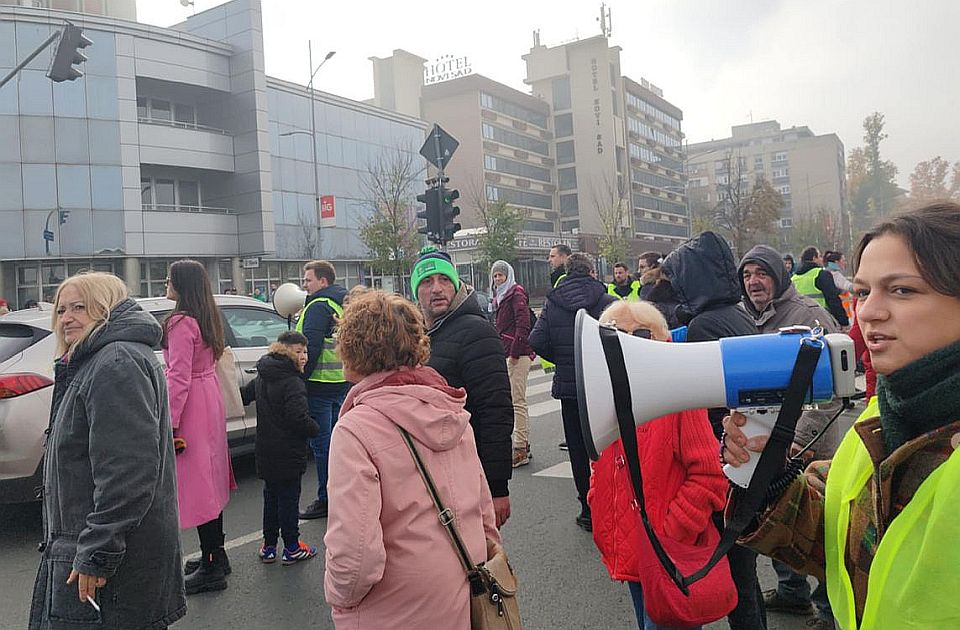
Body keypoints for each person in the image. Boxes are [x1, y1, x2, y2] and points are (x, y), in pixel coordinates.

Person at [723, 202, 960, 630]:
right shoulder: (879, 419)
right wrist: (770, 476)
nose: (867, 312)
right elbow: (841, 543)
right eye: (865, 291)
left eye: (902, 290)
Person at [324, 290, 500, 629]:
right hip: (462, 589)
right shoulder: (450, 410)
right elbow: (483, 513)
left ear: (353, 350)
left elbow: (356, 554)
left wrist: (339, 597)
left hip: (397, 606)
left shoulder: (356, 429)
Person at [29, 272, 185, 629]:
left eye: (78, 308)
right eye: (62, 309)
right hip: (99, 553)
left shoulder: (115, 363)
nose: (65, 318)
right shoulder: (100, 359)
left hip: (114, 567)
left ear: (105, 309)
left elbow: (127, 474)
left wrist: (98, 552)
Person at [589, 300, 729, 630]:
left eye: (640, 333)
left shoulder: (678, 396)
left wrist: (672, 532)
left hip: (668, 554)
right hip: (633, 550)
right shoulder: (607, 395)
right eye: (615, 335)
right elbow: (602, 466)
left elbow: (709, 475)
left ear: (662, 341)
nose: (629, 342)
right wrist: (599, 504)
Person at [660, 232, 767, 630]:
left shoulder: (706, 324)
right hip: (749, 464)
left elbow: (700, 404)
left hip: (729, 465)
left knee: (734, 579)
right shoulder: (735, 314)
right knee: (745, 575)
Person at [737, 244, 843, 629]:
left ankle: (830, 611)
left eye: (761, 274)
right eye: (747, 275)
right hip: (773, 443)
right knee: (781, 519)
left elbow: (832, 391)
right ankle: (793, 593)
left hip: (808, 444)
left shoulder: (809, 316)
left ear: (778, 277)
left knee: (821, 530)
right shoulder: (750, 316)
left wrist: (802, 438)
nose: (754, 282)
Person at [412, 249, 513, 527]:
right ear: (415, 292)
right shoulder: (420, 335)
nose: (436, 289)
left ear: (456, 284)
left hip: (471, 472)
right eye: (426, 282)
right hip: (434, 474)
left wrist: (497, 486)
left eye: (444, 280)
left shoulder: (476, 331)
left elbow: (496, 410)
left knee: (476, 557)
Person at [163, 259, 236, 595]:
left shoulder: (179, 322)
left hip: (191, 403)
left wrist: (170, 421)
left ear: (182, 285)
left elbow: (177, 376)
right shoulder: (207, 316)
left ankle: (210, 565)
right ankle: (215, 554)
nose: (166, 284)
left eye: (169, 279)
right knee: (211, 478)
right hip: (209, 398)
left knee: (197, 485)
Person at [529, 253, 617, 532]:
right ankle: (613, 503)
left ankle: (587, 508)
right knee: (609, 446)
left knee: (578, 450)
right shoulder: (607, 301)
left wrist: (564, 359)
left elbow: (536, 340)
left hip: (570, 387)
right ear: (592, 272)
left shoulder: (553, 302)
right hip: (603, 386)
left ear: (567, 272)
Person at [241, 331, 320, 565]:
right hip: (288, 451)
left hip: (265, 448)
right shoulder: (292, 381)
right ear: (285, 351)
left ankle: (269, 546)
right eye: (298, 351)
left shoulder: (264, 374)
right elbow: (297, 417)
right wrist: (315, 429)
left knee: (271, 498)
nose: (304, 356)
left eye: (305, 351)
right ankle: (293, 547)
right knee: (288, 500)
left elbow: (244, 395)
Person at [296, 260, 350, 520]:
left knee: (323, 447)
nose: (304, 285)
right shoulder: (340, 302)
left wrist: (300, 379)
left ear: (323, 281)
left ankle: (326, 498)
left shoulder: (318, 306)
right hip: (340, 381)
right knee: (338, 444)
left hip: (319, 385)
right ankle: (342, 494)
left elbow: (311, 347)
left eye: (308, 280)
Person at [490, 259, 535, 468]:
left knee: (517, 401)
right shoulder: (500, 296)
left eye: (501, 275)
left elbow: (523, 323)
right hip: (507, 351)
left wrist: (515, 352)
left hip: (517, 353)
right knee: (514, 400)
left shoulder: (515, 293)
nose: (498, 279)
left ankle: (519, 449)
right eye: (495, 276)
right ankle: (523, 444)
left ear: (508, 275)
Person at [792, 247, 849, 327]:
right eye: (820, 256)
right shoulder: (821, 274)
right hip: (822, 320)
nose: (822, 259)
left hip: (800, 322)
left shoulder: (794, 278)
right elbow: (833, 300)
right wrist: (843, 321)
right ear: (814, 258)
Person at [823, 250, 855, 324]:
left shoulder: (824, 272)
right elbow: (848, 286)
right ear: (837, 262)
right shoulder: (835, 275)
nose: (845, 263)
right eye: (843, 260)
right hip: (837, 312)